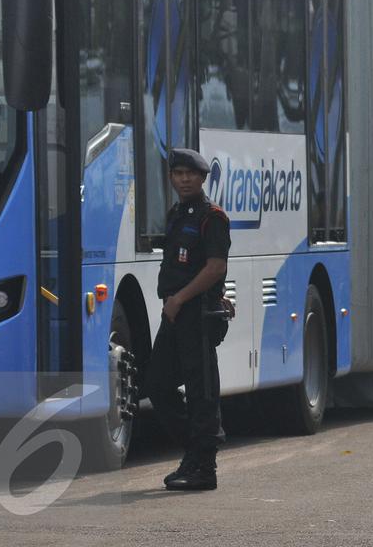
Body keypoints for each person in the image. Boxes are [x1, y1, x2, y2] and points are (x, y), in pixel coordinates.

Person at [145, 148, 231, 491]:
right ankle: (195, 451)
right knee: (157, 385)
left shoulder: (212, 217)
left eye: (190, 174)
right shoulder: (178, 214)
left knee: (201, 391)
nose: (183, 179)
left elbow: (216, 266)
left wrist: (183, 298)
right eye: (178, 174)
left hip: (194, 312)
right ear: (171, 178)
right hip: (177, 311)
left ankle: (203, 468)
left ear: (202, 178)